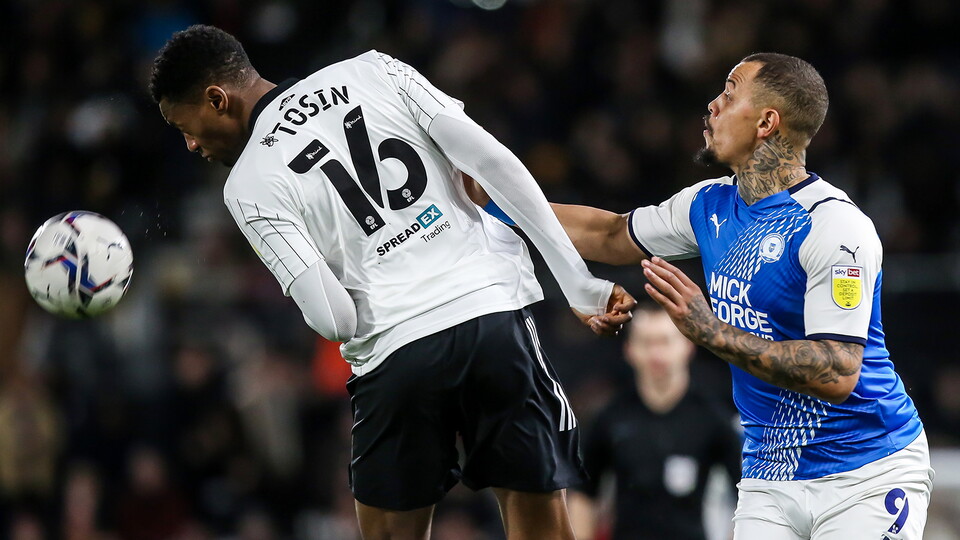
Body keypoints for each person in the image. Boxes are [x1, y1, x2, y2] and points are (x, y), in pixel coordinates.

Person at [149, 25, 635, 540]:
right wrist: (578, 284)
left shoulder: (248, 184)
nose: (190, 144)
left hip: (395, 358)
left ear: (216, 98)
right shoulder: (374, 69)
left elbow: (334, 319)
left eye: (186, 126)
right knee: (540, 526)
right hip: (490, 318)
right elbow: (494, 164)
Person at [483, 52, 933, 538]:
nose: (713, 106)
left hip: (867, 469)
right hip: (770, 475)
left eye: (729, 93)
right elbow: (611, 234)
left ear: (766, 122)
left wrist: (712, 331)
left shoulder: (835, 227)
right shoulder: (708, 205)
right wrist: (493, 203)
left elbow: (838, 369)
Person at [568, 303, 741, 540]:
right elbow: (584, 494)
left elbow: (746, 494)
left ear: (687, 346)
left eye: (665, 342)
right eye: (647, 343)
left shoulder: (712, 417)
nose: (656, 354)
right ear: (629, 350)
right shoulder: (611, 417)